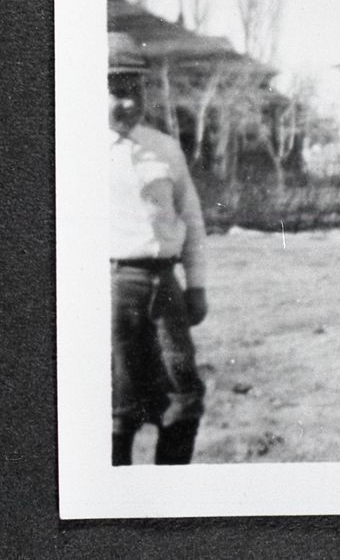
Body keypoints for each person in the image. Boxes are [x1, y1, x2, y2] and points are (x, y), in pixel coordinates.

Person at [108, 32, 208, 465]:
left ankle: (168, 494)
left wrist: (196, 286)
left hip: (165, 285)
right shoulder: (71, 151)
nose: (129, 102)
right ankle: (112, 498)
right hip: (112, 288)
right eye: (117, 92)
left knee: (183, 398)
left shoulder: (164, 148)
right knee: (116, 407)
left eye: (136, 91)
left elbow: (192, 220)